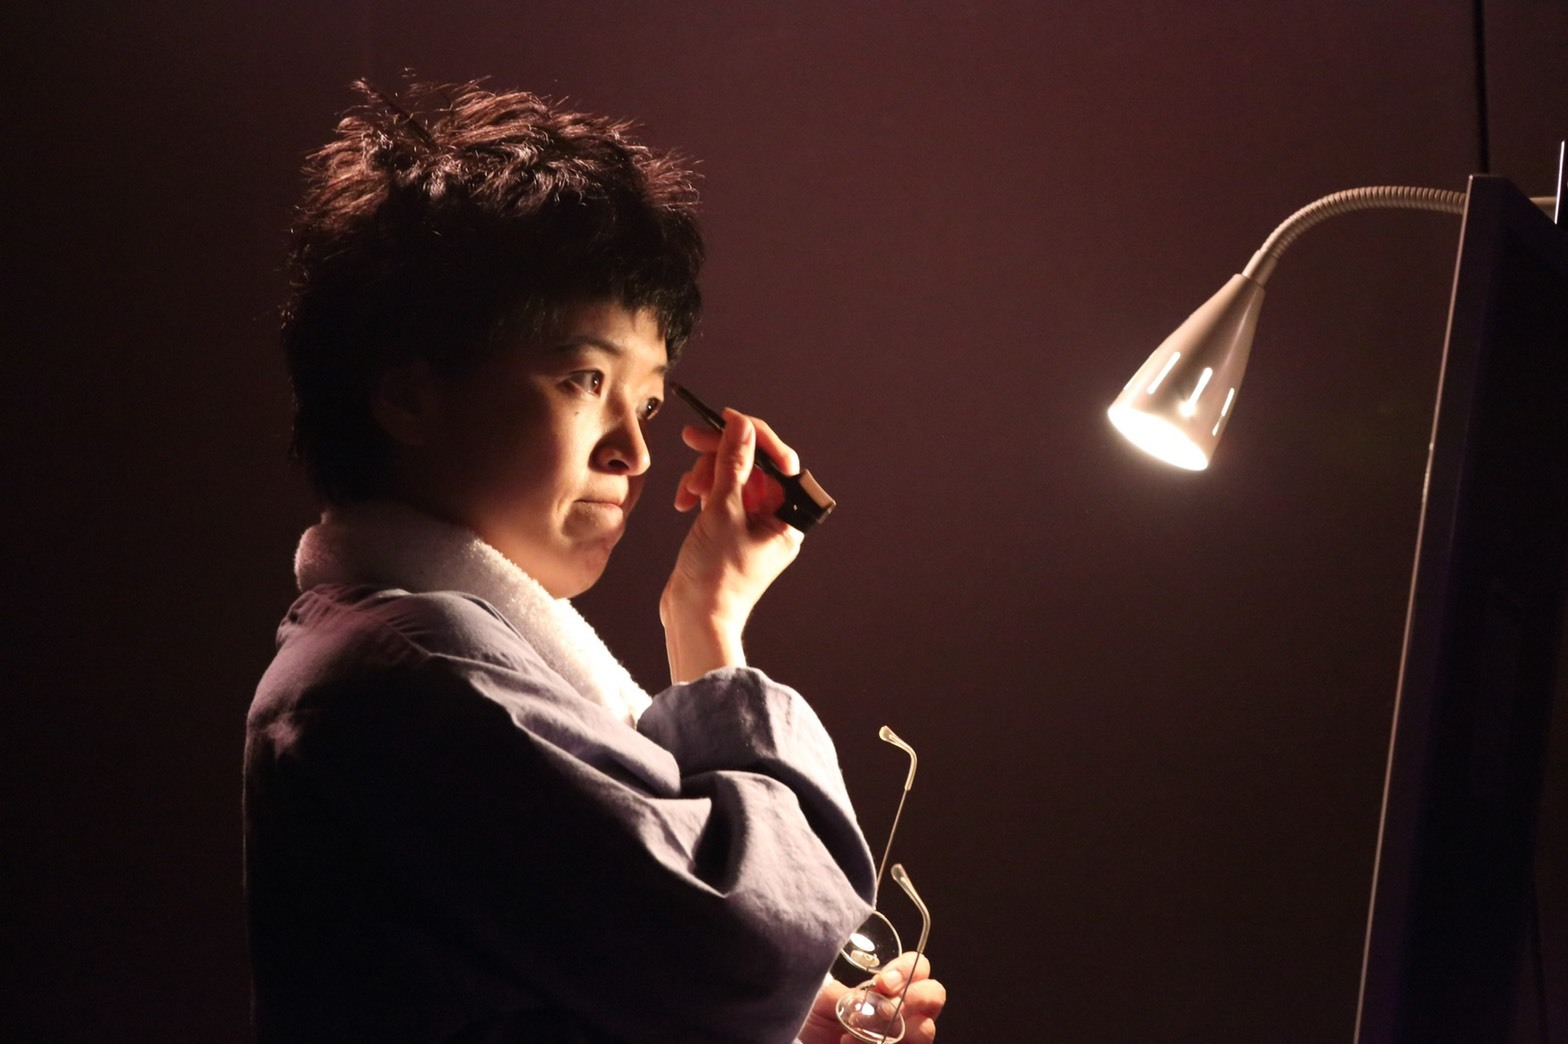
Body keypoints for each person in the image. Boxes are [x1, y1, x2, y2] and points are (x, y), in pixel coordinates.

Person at [244, 79, 946, 1043]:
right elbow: (753, 944)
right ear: (409, 397)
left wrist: (780, 1027)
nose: (635, 451)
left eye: (648, 402)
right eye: (585, 379)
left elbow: (700, 976)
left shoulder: (389, 656)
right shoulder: (412, 675)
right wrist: (710, 630)